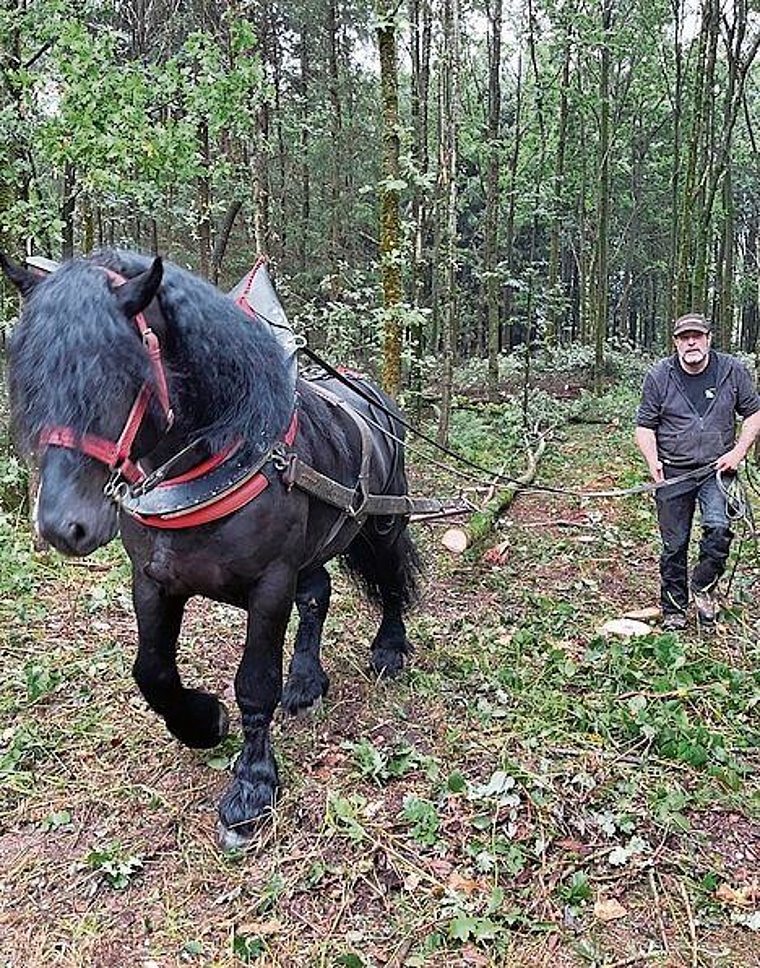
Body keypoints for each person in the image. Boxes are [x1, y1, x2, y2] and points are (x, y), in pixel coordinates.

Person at [635, 311, 760, 630]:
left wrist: (738, 451)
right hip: (674, 472)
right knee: (674, 544)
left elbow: (753, 413)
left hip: (717, 469)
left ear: (708, 338)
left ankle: (703, 588)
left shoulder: (731, 370)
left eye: (697, 335)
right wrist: (653, 461)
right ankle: (674, 609)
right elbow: (644, 427)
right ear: (675, 342)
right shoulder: (660, 375)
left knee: (719, 532)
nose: (691, 342)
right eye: (684, 337)